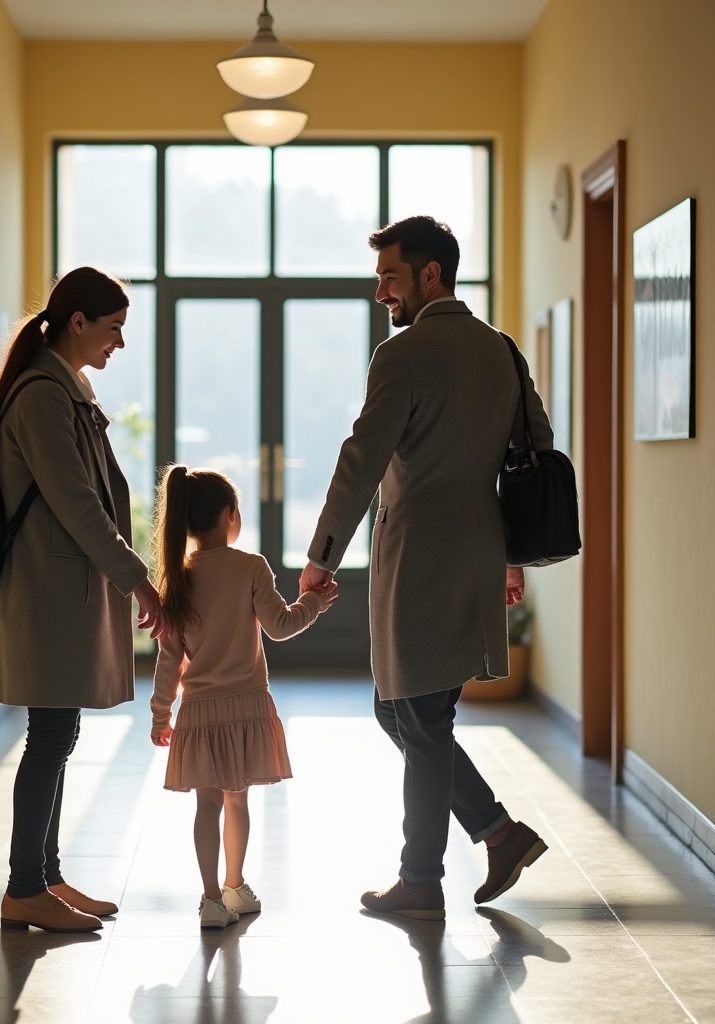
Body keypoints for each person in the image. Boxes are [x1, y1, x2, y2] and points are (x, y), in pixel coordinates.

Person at [299, 216, 553, 921]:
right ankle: (499, 834)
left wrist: (322, 556)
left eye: (389, 275)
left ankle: (421, 879)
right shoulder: (501, 350)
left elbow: (362, 459)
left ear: (430, 274)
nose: (381, 290)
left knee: (418, 712)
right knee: (405, 708)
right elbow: (536, 445)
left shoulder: (402, 354)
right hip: (476, 548)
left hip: (418, 560)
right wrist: (509, 550)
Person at [0, 267, 170, 933]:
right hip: (50, 588)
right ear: (78, 322)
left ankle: (44, 876)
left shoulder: (64, 385)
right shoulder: (44, 395)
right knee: (49, 735)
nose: (119, 345)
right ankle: (25, 886)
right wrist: (138, 577)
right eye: (113, 330)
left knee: (57, 732)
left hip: (62, 585)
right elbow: (77, 503)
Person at [150, 467, 336, 929]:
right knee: (238, 803)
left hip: (198, 712)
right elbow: (281, 626)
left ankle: (210, 899)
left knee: (206, 806)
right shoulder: (251, 566)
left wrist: (160, 715)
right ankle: (235, 886)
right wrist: (314, 602)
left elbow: (169, 661)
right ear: (230, 515)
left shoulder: (177, 577)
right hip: (246, 705)